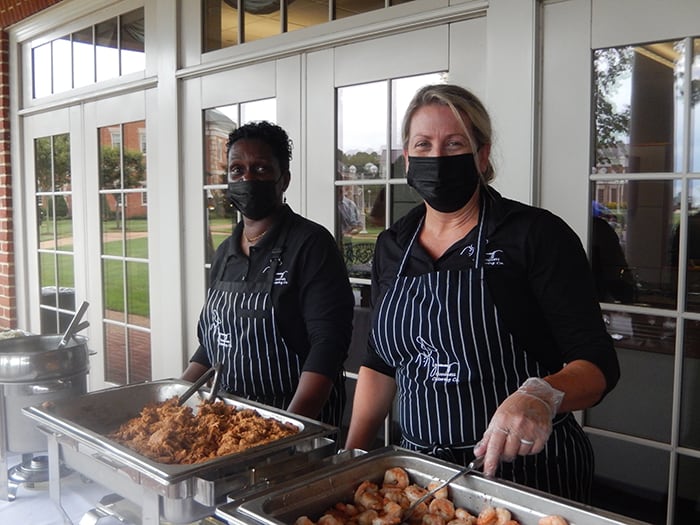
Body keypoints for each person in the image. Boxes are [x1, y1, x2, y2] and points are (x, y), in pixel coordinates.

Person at [344, 84, 620, 503]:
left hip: (529, 478)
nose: (437, 157)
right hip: (420, 479)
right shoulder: (393, 246)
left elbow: (598, 365)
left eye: (455, 144)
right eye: (424, 144)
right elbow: (380, 362)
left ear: (482, 155)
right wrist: (355, 455)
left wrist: (541, 395)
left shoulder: (534, 235)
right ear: (407, 157)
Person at [183, 121, 354, 426]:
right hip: (230, 422)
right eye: (237, 170)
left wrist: (286, 429)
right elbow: (213, 345)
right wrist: (176, 399)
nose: (247, 178)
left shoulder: (311, 245)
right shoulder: (225, 253)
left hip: (299, 423)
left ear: (283, 179)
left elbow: (327, 346)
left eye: (261, 169)